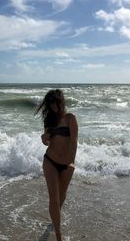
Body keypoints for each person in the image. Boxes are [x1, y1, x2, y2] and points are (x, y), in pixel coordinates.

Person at [35, 89, 78, 241]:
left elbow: (73, 142)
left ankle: (55, 216)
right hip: (50, 161)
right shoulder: (49, 120)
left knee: (61, 196)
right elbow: (46, 142)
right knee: (54, 198)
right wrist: (44, 137)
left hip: (67, 164)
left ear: (62, 101)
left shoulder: (70, 118)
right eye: (51, 104)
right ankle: (58, 235)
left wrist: (70, 161)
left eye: (56, 102)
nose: (54, 106)